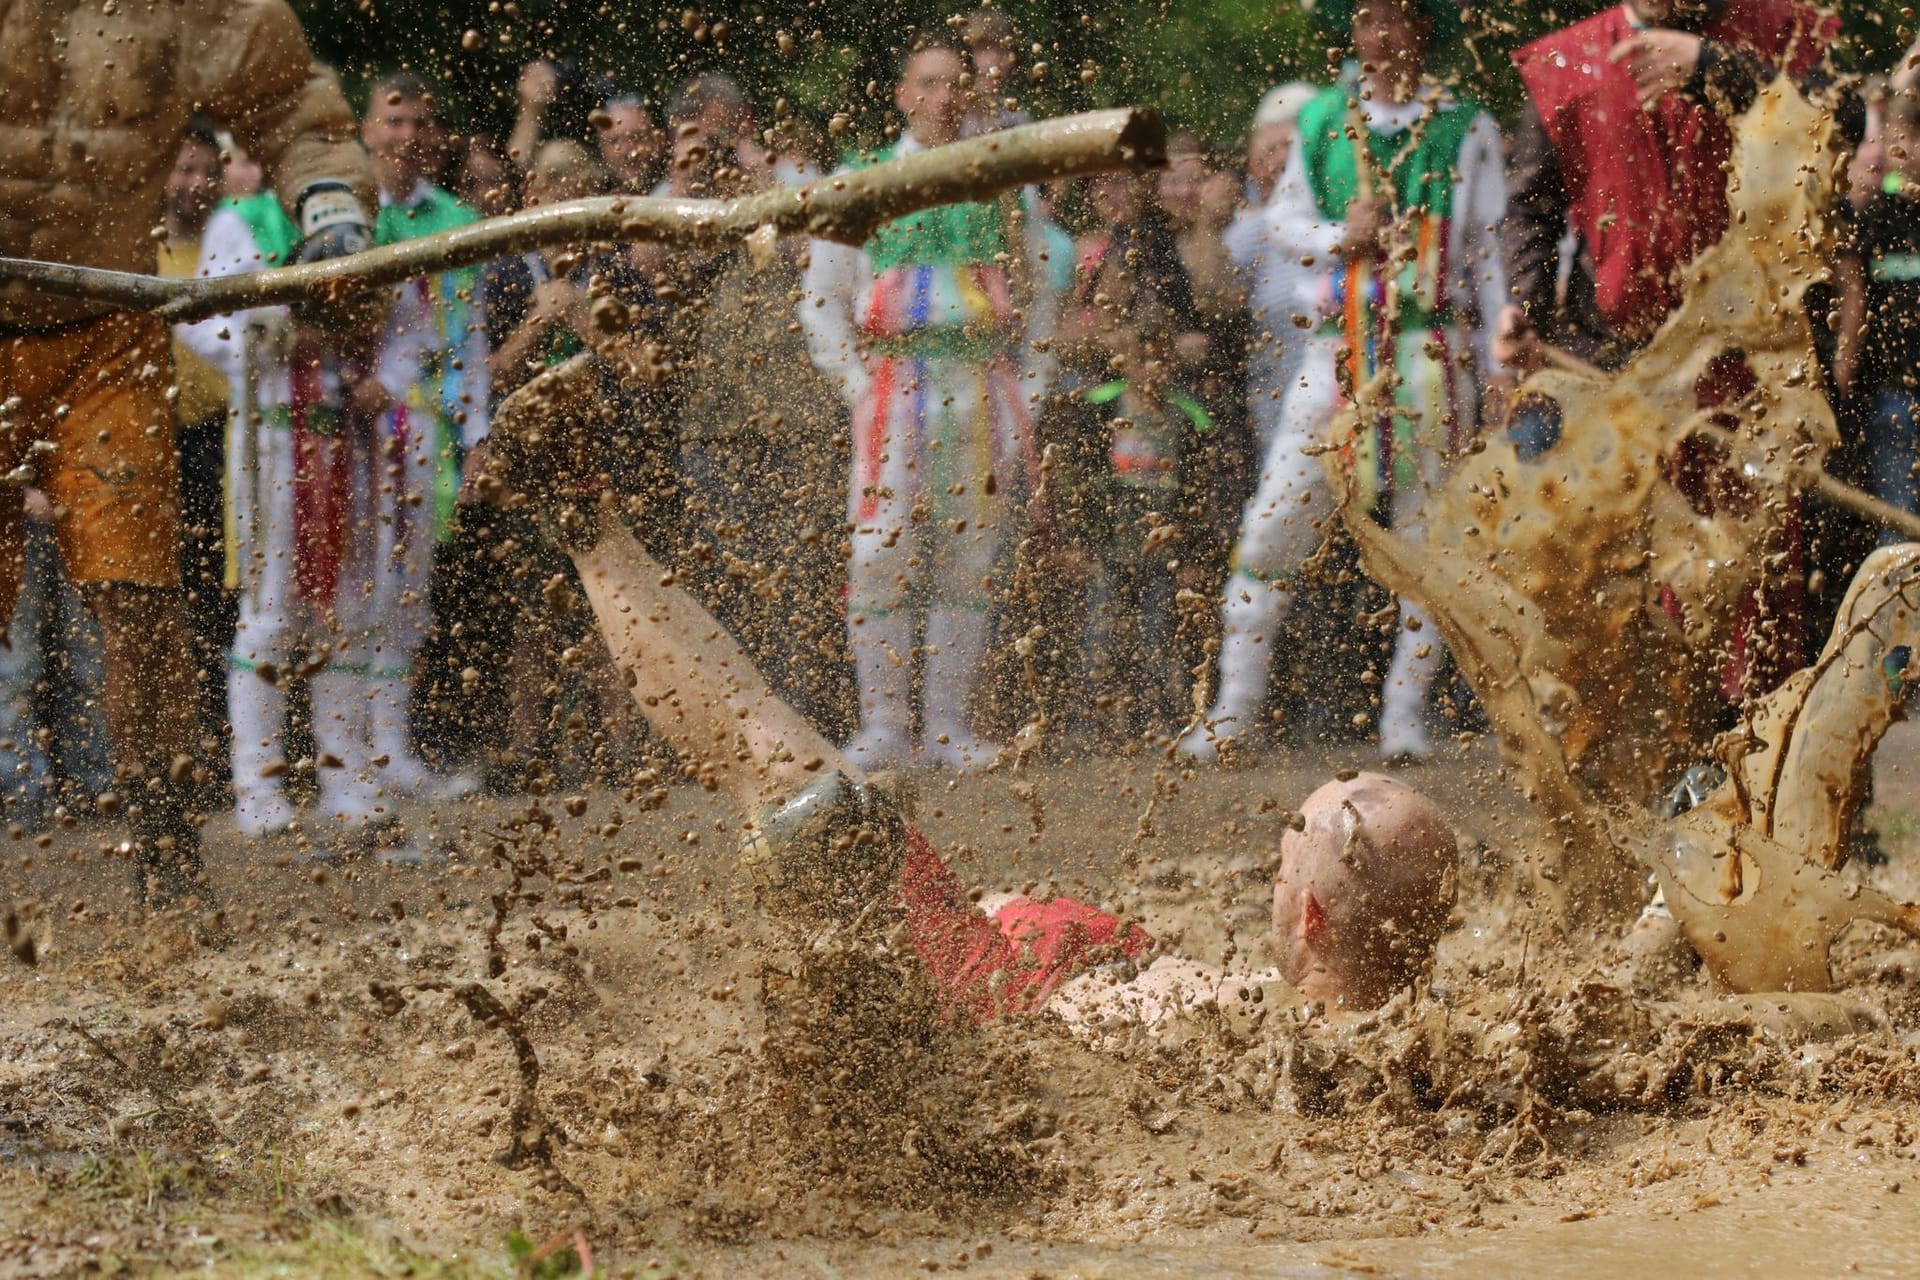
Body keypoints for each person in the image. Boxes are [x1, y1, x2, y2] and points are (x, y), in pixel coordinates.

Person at [480, 403, 1459, 1025]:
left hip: (959, 1003)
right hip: (982, 968)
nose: (1276, 854)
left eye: (1294, 836)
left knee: (804, 795)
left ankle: (580, 514)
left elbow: (1040, 1043)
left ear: (1316, 911)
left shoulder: (1217, 1023)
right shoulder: (1385, 1032)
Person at [0, 0, 376, 903]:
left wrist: (328, 212)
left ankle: (170, 873)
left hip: (106, 338)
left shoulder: (188, 7)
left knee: (137, 606)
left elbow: (292, 106)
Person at [1181, 0, 1509, 766]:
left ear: (1422, 30)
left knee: (1430, 541)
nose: (1378, 36)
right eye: (1366, 20)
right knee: (1272, 526)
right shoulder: (1327, 117)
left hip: (1434, 352)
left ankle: (1404, 719)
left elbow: (1490, 259)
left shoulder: (1468, 127)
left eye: (1394, 19)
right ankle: (1233, 716)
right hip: (1333, 354)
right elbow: (1283, 224)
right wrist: (1342, 235)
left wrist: (1499, 365)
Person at [801, 41, 1056, 771]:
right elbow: (821, 299)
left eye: (957, 86)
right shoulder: (861, 180)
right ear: (901, 93)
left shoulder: (1004, 181)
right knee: (880, 550)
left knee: (970, 555)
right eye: (931, 84)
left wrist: (1029, 387)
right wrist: (858, 384)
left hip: (982, 388)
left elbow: (1042, 291)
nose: (946, 98)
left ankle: (946, 727)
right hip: (893, 389)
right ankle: (883, 728)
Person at [346, 72, 488, 802]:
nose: (407, 137)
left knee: (405, 590)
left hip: (421, 429)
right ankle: (341, 761)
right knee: (341, 590)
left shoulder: (457, 218)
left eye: (421, 124)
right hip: (335, 430)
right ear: (368, 128)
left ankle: (392, 748)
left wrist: (480, 430)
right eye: (393, 121)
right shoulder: (344, 208)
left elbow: (466, 338)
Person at [157, 120, 242, 773]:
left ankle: (219, 756)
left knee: (222, 600)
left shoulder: (233, 237)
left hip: (228, 444)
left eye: (207, 170)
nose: (195, 183)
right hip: (153, 449)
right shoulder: (137, 246)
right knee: (163, 601)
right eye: (184, 168)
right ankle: (165, 754)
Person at [1827, 90, 1920, 539]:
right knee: (1897, 518)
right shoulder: (1877, 216)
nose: (1908, 152)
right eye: (1900, 140)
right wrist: (1844, 363)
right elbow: (1853, 296)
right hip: (1892, 396)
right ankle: (1897, 604)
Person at [597, 94, 665, 194]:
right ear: (602, 147)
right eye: (614, 141)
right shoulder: (590, 198)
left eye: (636, 138)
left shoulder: (681, 197)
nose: (626, 150)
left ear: (659, 141)